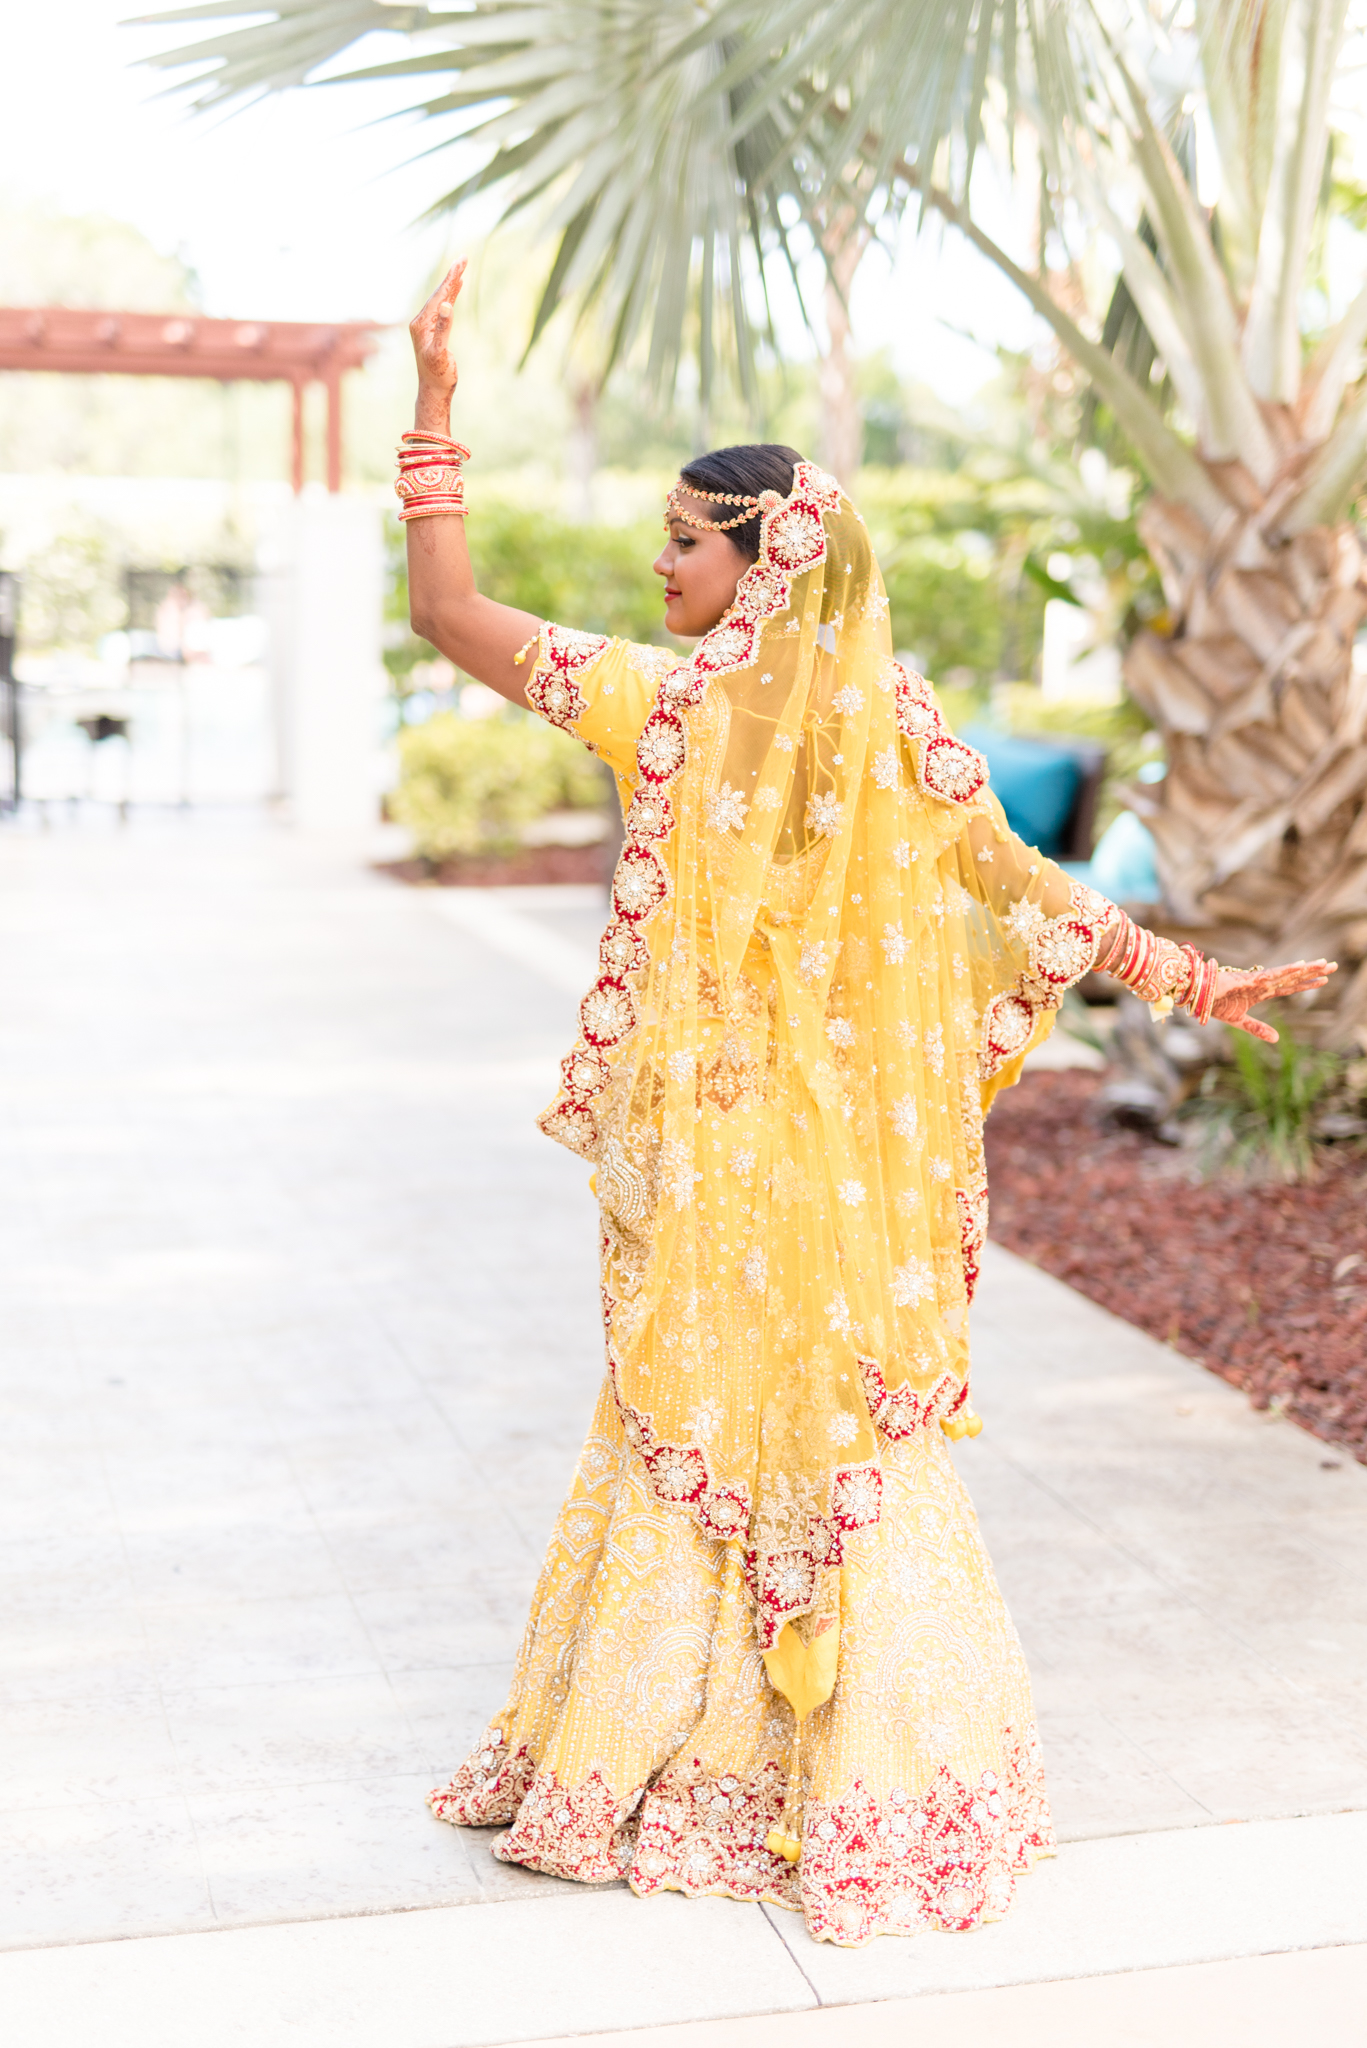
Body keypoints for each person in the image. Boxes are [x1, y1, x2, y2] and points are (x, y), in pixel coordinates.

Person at [402, 262, 1334, 1947]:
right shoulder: (873, 728)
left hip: (738, 1158)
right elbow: (1031, 888)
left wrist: (438, 414)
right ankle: (837, 1769)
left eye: (690, 537)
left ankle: (699, 1763)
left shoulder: (680, 711)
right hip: (813, 1171)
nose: (662, 561)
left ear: (767, 561)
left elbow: (451, 617)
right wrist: (1188, 978)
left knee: (711, 1424)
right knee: (826, 1441)